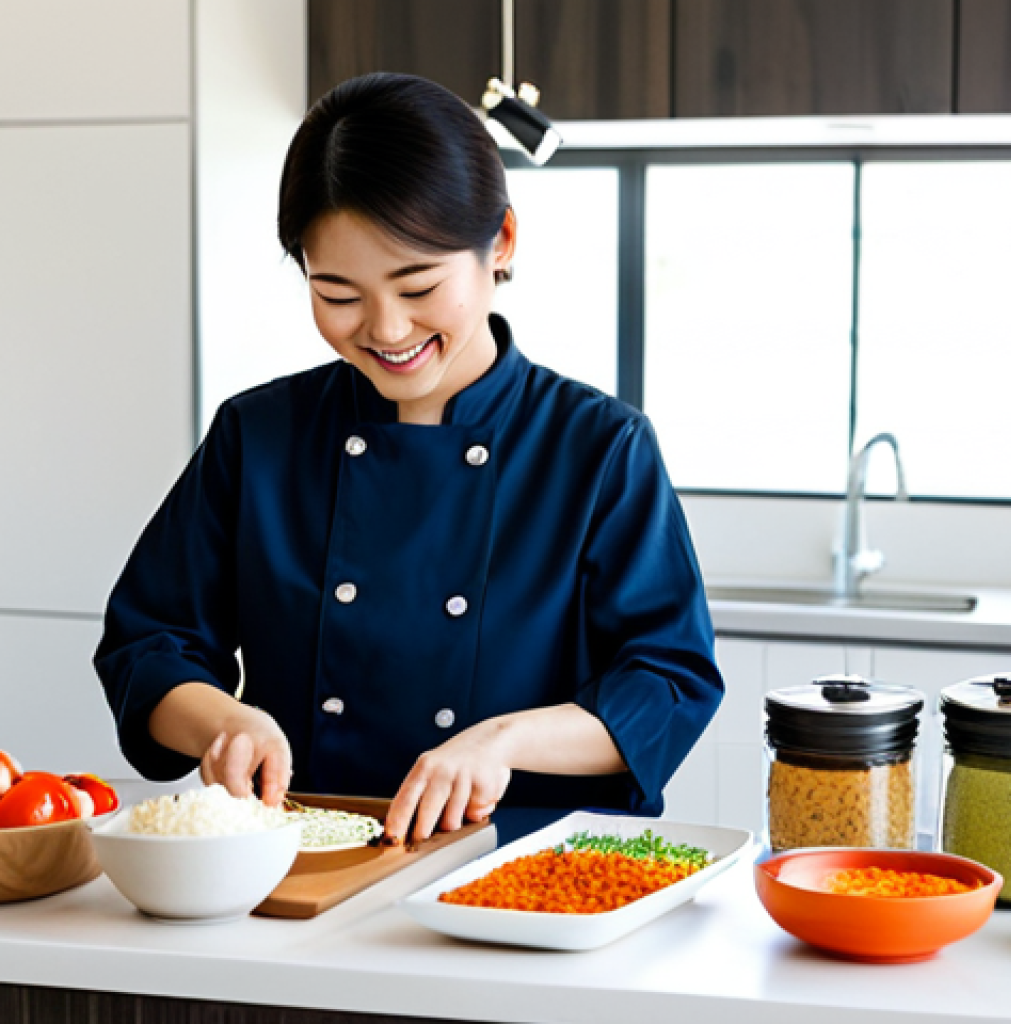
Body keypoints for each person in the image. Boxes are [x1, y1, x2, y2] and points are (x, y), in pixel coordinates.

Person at [95, 72, 723, 844]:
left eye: (418, 284)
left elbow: (666, 680)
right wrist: (224, 722)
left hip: (520, 870)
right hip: (297, 860)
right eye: (338, 294)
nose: (387, 329)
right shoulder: (257, 436)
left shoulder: (597, 448)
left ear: (501, 243)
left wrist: (504, 741)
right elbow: (149, 642)